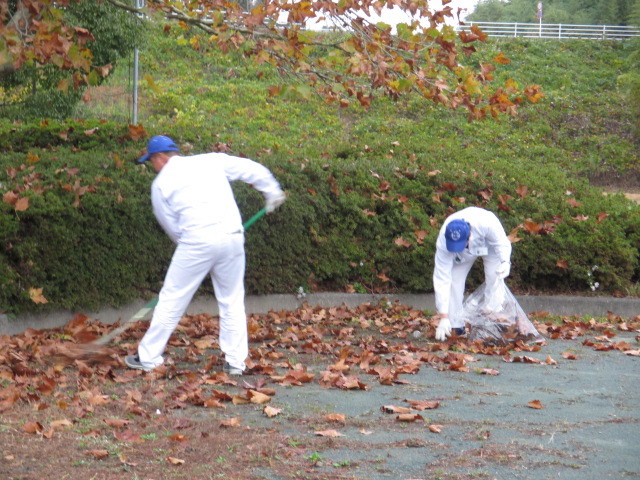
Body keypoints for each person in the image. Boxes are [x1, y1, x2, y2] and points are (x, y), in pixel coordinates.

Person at [125, 135, 286, 374]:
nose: (153, 166)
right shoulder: (210, 161)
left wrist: (192, 247)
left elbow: (171, 226)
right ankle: (236, 362)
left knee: (173, 297)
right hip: (232, 235)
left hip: (196, 241)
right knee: (231, 298)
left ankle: (148, 357)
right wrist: (272, 192)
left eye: (152, 161)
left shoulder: (160, 185)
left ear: (159, 158)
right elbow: (251, 169)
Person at [433, 207, 512, 342]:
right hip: (464, 254)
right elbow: (442, 276)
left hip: (490, 245)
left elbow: (501, 243)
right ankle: (455, 325)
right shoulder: (444, 240)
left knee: (495, 277)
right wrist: (443, 316)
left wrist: (505, 262)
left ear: (469, 235)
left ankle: (492, 322)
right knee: (454, 280)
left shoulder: (487, 222)